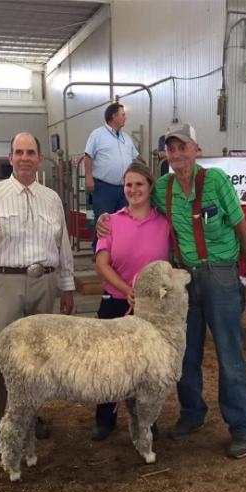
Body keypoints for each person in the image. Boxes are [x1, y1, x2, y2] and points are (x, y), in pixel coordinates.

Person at [97, 123, 246, 459]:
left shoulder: (216, 181)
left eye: (182, 147)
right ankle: (192, 414)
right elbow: (134, 197)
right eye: (171, 149)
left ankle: (241, 427)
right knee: (185, 352)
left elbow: (242, 228)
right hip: (184, 280)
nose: (177, 154)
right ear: (166, 155)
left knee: (230, 354)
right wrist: (103, 219)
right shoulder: (164, 188)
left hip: (221, 274)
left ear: (195, 149)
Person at [0, 132, 75, 460]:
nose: (25, 157)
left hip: (44, 282)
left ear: (39, 159)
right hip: (5, 282)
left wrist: (67, 286)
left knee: (39, 358)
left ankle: (31, 416)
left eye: (31, 152)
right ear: (10, 158)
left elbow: (63, 244)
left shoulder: (52, 198)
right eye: (19, 152)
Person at [92, 160, 171, 441]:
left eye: (139, 184)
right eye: (129, 185)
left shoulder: (165, 224)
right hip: (116, 301)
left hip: (152, 309)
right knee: (108, 362)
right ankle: (105, 418)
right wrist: (126, 289)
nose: (133, 189)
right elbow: (102, 264)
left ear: (150, 187)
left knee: (147, 366)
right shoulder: (111, 222)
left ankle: (146, 419)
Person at [84, 102, 139, 250]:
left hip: (124, 188)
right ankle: (100, 251)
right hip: (104, 187)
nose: (125, 117)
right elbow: (88, 157)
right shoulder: (97, 135)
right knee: (103, 220)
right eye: (122, 114)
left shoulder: (126, 138)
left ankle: (119, 250)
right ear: (113, 117)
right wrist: (89, 178)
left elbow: (135, 158)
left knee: (124, 220)